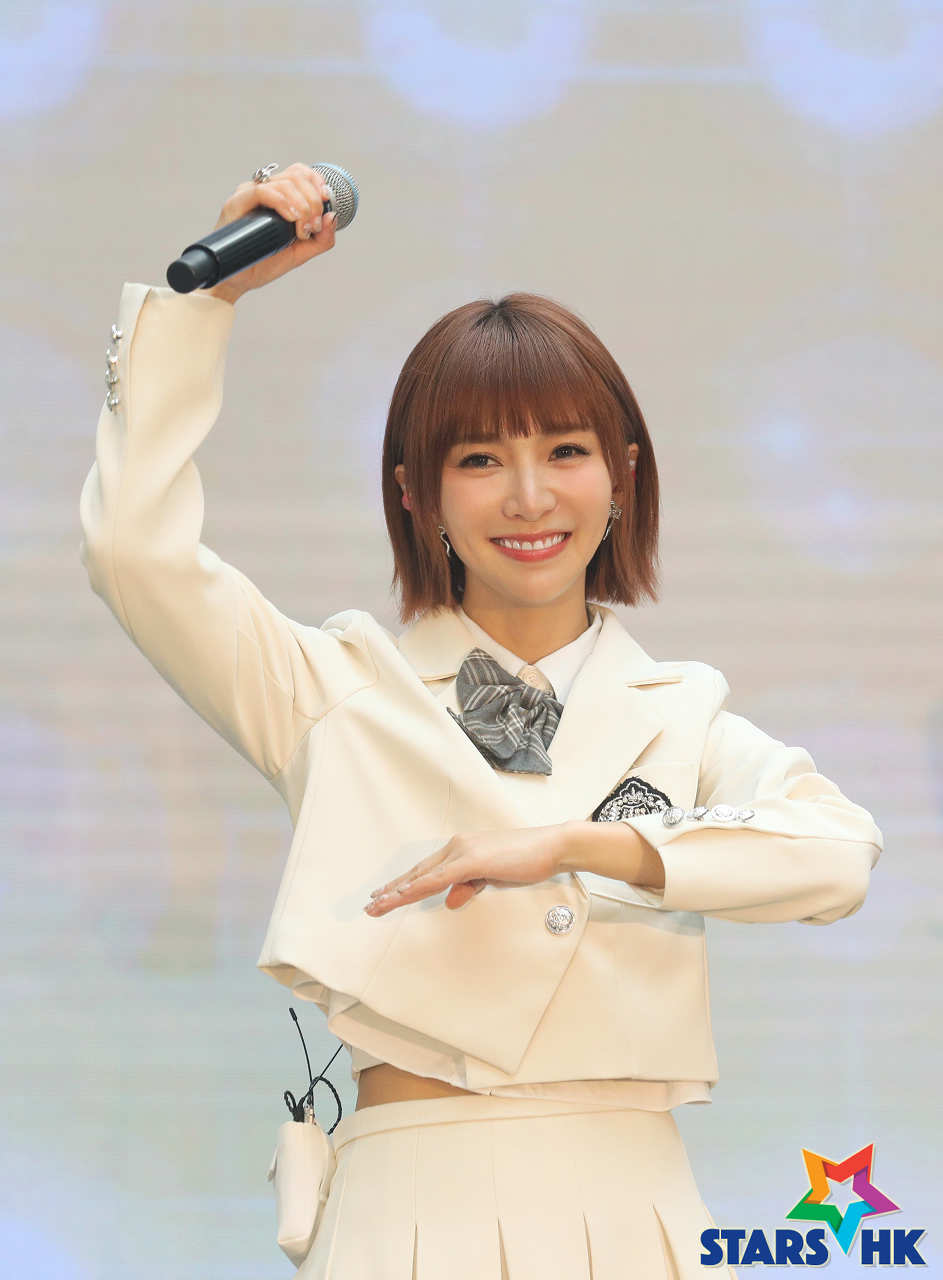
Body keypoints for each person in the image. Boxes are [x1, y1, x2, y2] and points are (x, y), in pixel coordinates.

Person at [79, 162, 883, 1279]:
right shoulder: (334, 687)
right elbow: (136, 552)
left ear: (622, 476)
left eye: (565, 452)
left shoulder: (683, 711)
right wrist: (207, 300)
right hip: (409, 1207)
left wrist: (574, 846)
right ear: (415, 494)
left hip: (637, 1208)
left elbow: (838, 854)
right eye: (478, 460)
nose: (528, 497)